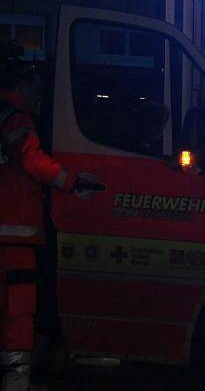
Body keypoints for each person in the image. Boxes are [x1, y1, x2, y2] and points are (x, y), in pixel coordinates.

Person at [0, 59, 101, 391]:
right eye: (36, 86)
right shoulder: (15, 118)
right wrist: (71, 182)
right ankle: (16, 383)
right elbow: (32, 160)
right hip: (13, 234)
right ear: (21, 85)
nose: (40, 94)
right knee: (18, 311)